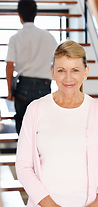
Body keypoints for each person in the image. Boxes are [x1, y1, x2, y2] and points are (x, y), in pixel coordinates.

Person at [15, 40, 98, 207]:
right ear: (52, 72)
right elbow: (24, 167)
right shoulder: (36, 109)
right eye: (62, 70)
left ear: (85, 72)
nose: (68, 78)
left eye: (75, 70)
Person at [6, 0, 58, 134]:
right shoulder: (49, 37)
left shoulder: (15, 38)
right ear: (36, 14)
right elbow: (58, 62)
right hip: (44, 85)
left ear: (19, 15)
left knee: (22, 124)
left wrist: (10, 92)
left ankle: (25, 153)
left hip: (23, 86)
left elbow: (10, 66)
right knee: (42, 127)